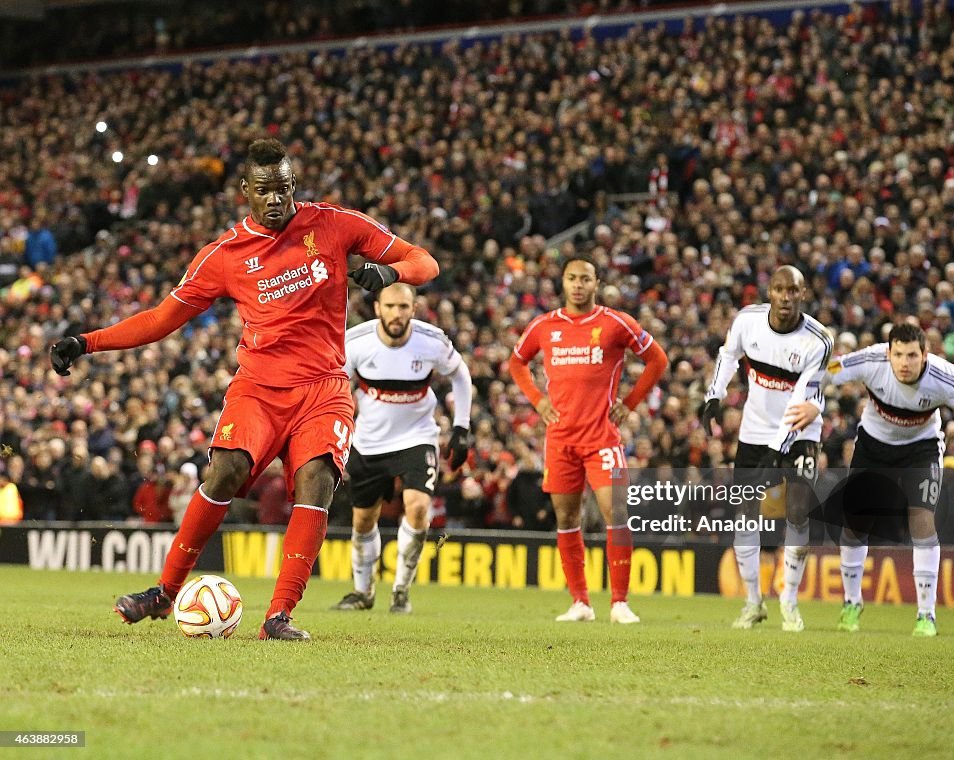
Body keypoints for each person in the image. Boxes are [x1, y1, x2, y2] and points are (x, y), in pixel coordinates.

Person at [49, 138, 438, 640]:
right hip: (258, 387)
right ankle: (164, 594)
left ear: (293, 184)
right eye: (264, 190)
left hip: (322, 387)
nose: (275, 199)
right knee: (226, 469)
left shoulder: (335, 224)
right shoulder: (225, 255)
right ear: (245, 192)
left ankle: (278, 616)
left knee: (318, 479)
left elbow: (424, 262)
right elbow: (162, 319)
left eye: (282, 188)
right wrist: (87, 342)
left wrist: (390, 272)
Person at [804, 323, 954, 636]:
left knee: (922, 523)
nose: (905, 362)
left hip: (922, 449)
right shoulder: (870, 361)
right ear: (888, 353)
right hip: (873, 447)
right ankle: (851, 603)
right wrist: (810, 403)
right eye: (899, 354)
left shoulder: (944, 376)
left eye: (912, 355)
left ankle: (926, 615)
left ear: (925, 355)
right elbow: (823, 372)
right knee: (853, 525)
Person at [509, 254, 668, 624]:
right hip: (561, 439)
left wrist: (629, 403)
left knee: (617, 513)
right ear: (562, 283)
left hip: (602, 438)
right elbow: (517, 363)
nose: (578, 285)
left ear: (596, 283)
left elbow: (657, 359)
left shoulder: (614, 323)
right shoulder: (544, 326)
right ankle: (580, 602)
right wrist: (538, 400)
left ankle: (620, 602)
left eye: (585, 279)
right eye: (571, 278)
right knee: (566, 517)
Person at [702, 266, 833, 632]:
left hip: (801, 430)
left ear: (803, 293)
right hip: (755, 429)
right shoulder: (748, 321)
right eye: (779, 289)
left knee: (797, 511)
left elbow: (802, 398)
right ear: (770, 291)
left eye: (793, 290)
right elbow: (728, 355)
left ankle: (789, 602)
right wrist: (714, 395)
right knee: (745, 513)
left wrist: (779, 448)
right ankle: (753, 603)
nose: (786, 297)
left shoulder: (818, 342)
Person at [331, 282, 471, 614]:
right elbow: (336, 386)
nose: (397, 313)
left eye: (403, 307)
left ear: (414, 308)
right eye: (390, 307)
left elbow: (461, 374)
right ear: (377, 308)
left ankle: (400, 591)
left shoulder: (431, 341)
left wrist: (462, 427)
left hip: (417, 436)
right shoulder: (356, 343)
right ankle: (363, 592)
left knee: (419, 507)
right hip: (369, 440)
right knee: (364, 520)